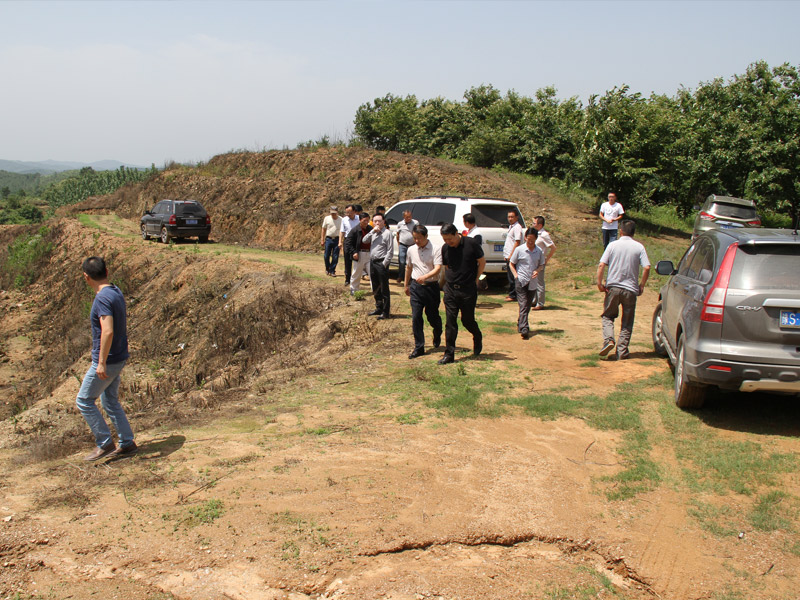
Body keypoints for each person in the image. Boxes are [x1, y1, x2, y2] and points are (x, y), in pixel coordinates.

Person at [76, 256, 137, 461]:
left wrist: (101, 362)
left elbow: (107, 331)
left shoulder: (102, 298)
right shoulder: (115, 291)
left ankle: (105, 443)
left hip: (109, 360)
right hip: (119, 356)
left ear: (86, 277)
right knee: (109, 400)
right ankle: (127, 442)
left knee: (84, 400)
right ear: (107, 272)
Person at [596, 220, 650, 360]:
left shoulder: (612, 245)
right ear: (634, 233)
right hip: (630, 290)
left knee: (608, 316)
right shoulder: (639, 247)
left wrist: (600, 283)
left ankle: (609, 340)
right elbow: (647, 267)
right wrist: (642, 285)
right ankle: (622, 351)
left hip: (613, 287)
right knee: (627, 321)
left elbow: (602, 265)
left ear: (620, 231)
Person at [439, 223, 485, 364]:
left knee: (467, 320)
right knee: (450, 322)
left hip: (467, 290)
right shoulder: (445, 248)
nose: (448, 242)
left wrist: (476, 278)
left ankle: (477, 336)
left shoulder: (471, 244)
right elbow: (447, 267)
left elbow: (482, 262)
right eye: (445, 239)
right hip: (451, 290)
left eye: (450, 239)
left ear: (456, 234)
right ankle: (449, 354)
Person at [404, 225, 443, 358]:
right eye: (414, 238)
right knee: (416, 316)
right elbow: (408, 267)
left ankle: (437, 329)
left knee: (432, 315)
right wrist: (406, 284)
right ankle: (419, 347)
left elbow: (438, 268)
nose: (416, 241)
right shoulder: (411, 250)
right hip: (416, 287)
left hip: (431, 287)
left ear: (426, 236)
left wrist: (425, 277)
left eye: (419, 238)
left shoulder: (436, 249)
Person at [509, 228, 545, 340]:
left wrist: (537, 271)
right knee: (523, 303)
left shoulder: (539, 251)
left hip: (532, 283)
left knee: (527, 305)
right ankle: (525, 328)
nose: (530, 242)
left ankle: (520, 322)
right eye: (528, 240)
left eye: (532, 240)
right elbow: (511, 263)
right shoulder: (519, 250)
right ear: (525, 238)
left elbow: (542, 264)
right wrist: (516, 275)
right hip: (521, 280)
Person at [362, 214, 394, 319]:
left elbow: (390, 251)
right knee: (375, 286)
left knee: (384, 288)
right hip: (372, 262)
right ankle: (378, 308)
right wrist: (372, 231)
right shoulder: (374, 233)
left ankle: (386, 312)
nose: (377, 223)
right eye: (375, 221)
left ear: (383, 221)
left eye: (379, 221)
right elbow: (364, 240)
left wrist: (384, 264)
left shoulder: (387, 233)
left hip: (381, 262)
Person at [532, 215, 556, 310]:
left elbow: (553, 247)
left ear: (540, 225)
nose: (533, 225)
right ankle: (534, 300)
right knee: (533, 281)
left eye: (534, 223)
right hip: (533, 260)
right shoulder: (535, 233)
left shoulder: (544, 235)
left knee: (539, 282)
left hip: (540, 261)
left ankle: (540, 303)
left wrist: (546, 259)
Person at [348, 212, 372, 295]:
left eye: (368, 220)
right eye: (364, 220)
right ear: (360, 220)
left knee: (372, 273)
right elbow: (348, 243)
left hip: (369, 254)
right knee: (357, 273)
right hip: (359, 254)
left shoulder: (370, 229)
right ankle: (354, 290)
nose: (366, 222)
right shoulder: (355, 230)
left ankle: (376, 290)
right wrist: (354, 252)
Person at [503, 210, 524, 302]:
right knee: (510, 276)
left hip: (513, 256)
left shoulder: (517, 227)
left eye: (512, 217)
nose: (510, 219)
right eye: (509, 217)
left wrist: (511, 255)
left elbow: (517, 241)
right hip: (509, 255)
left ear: (516, 217)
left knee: (512, 276)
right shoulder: (512, 227)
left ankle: (514, 295)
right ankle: (512, 293)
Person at [395, 209, 418, 284]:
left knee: (411, 261)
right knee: (401, 261)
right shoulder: (400, 224)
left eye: (410, 216)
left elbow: (417, 233)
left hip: (412, 245)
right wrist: (399, 243)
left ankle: (411, 277)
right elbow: (398, 234)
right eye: (407, 217)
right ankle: (400, 276)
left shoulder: (415, 223)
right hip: (403, 244)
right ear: (404, 217)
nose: (409, 218)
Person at [339, 204, 360, 286]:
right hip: (348, 240)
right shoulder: (344, 220)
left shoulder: (359, 218)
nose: (348, 214)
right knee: (347, 260)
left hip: (357, 240)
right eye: (347, 212)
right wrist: (340, 241)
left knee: (357, 260)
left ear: (355, 211)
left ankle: (355, 278)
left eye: (350, 212)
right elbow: (342, 231)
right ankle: (347, 279)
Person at [320, 206, 342, 276]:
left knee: (335, 256)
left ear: (337, 212)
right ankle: (327, 268)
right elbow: (323, 229)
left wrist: (341, 241)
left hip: (337, 239)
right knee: (326, 255)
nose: (333, 215)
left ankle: (332, 270)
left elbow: (342, 231)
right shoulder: (327, 218)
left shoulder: (341, 219)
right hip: (328, 239)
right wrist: (322, 239)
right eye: (332, 213)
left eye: (334, 213)